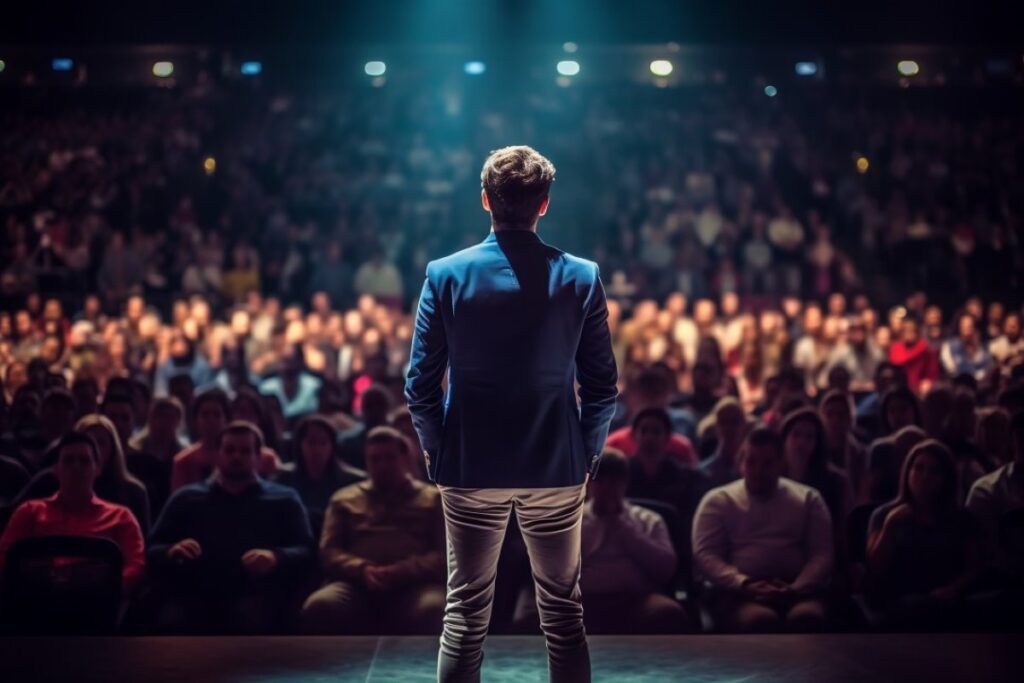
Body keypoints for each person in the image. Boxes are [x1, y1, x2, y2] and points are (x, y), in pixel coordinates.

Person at [404, 146, 618, 683]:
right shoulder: (582, 276)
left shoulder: (445, 275)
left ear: (485, 200)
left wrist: (437, 449)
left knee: (465, 613)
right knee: (564, 614)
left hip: (471, 461)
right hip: (556, 462)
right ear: (544, 204)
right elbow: (602, 384)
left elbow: (420, 384)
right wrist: (588, 451)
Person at [147, 421, 315, 634]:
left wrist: (276, 557)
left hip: (257, 594)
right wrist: (171, 551)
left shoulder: (284, 499)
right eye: (229, 450)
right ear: (217, 455)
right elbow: (152, 547)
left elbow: (307, 550)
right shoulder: (186, 498)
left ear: (258, 457)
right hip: (194, 594)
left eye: (245, 451)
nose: (236, 456)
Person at [301, 426, 445, 634]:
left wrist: (402, 571)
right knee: (320, 605)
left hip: (416, 586)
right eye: (375, 459)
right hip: (356, 585)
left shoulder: (433, 499)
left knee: (433, 610)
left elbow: (445, 555)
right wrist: (362, 569)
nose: (382, 465)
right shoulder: (344, 499)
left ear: (405, 459)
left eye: (389, 458)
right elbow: (328, 552)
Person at [692, 427, 834, 633]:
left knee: (807, 618)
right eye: (751, 462)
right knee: (760, 622)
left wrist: (797, 587)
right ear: (741, 462)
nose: (758, 471)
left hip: (798, 590)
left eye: (767, 463)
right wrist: (743, 583)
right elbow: (705, 555)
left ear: (781, 463)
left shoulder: (809, 499)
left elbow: (822, 554)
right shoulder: (718, 501)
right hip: (737, 593)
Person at [0, 431, 145, 595]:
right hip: (36, 604)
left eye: (84, 461)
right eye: (68, 460)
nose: (76, 466)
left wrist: (105, 589)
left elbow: (135, 566)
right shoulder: (29, 512)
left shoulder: (121, 518)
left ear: (97, 469)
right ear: (56, 469)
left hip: (97, 607)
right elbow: (4, 559)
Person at [865, 440, 983, 629]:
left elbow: (975, 568)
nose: (924, 477)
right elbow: (875, 569)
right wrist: (890, 526)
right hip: (899, 600)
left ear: (946, 478)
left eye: (934, 471)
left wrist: (954, 589)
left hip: (948, 597)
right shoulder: (884, 515)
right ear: (907, 472)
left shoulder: (962, 519)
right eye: (918, 468)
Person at [577, 449, 689, 633]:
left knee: (669, 613)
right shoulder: (571, 521)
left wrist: (622, 526)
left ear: (625, 484)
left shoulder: (648, 520)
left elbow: (666, 569)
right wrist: (597, 522)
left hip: (637, 599)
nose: (607, 489)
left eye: (613, 482)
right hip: (583, 600)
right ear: (589, 483)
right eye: (600, 482)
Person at [15, 414, 151, 534]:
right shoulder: (48, 481)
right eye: (90, 441)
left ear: (113, 448)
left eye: (101, 442)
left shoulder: (133, 492)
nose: (95, 448)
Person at [273, 414, 365, 535]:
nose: (317, 450)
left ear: (332, 446)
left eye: (323, 443)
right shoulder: (284, 479)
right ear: (300, 445)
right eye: (311, 443)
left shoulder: (352, 481)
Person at [170, 388, 277, 492]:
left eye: (217, 414)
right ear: (195, 420)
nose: (211, 420)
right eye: (205, 414)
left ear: (227, 419)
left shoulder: (265, 458)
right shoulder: (183, 462)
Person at [625, 407, 708, 519]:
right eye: (644, 431)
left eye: (656, 431)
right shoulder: (620, 475)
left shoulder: (687, 479)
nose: (649, 437)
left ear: (667, 437)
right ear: (634, 435)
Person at [698, 397, 748, 488]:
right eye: (723, 422)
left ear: (743, 424)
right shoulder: (704, 472)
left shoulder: (752, 468)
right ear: (716, 426)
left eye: (734, 422)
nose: (728, 428)